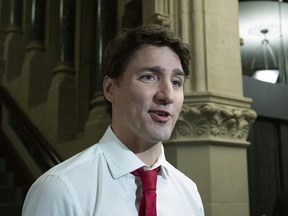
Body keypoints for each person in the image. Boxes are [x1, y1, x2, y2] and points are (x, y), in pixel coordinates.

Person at [22, 24, 205, 216]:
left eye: (176, 82)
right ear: (110, 89)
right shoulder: (60, 190)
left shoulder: (189, 193)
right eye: (149, 77)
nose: (168, 95)